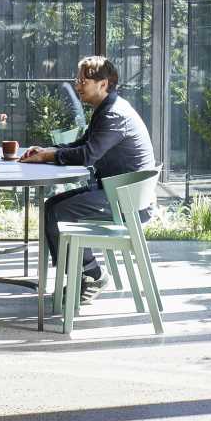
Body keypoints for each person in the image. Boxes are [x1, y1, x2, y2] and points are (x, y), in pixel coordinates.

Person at [18, 56, 155, 303]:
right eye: (77, 80)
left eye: (83, 80)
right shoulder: (108, 108)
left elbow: (88, 155)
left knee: (56, 211)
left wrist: (50, 155)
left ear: (103, 84)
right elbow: (83, 144)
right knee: (52, 208)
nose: (78, 85)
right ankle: (85, 275)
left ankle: (89, 275)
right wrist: (48, 151)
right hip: (118, 194)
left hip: (127, 202)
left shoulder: (113, 114)